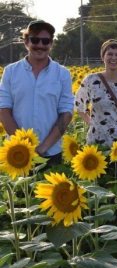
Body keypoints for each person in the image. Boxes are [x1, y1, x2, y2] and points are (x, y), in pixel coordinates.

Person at [0, 20, 73, 164]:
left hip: (51, 152)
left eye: (45, 41)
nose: (40, 45)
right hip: (17, 153)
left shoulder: (62, 74)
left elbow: (66, 113)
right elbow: (3, 109)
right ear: (26, 42)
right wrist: (23, 146)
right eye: (35, 40)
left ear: (51, 44)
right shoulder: (10, 72)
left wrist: (43, 148)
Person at [76, 39, 117, 157]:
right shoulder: (91, 80)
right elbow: (79, 106)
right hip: (96, 143)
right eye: (109, 54)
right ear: (103, 57)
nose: (114, 58)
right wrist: (92, 123)